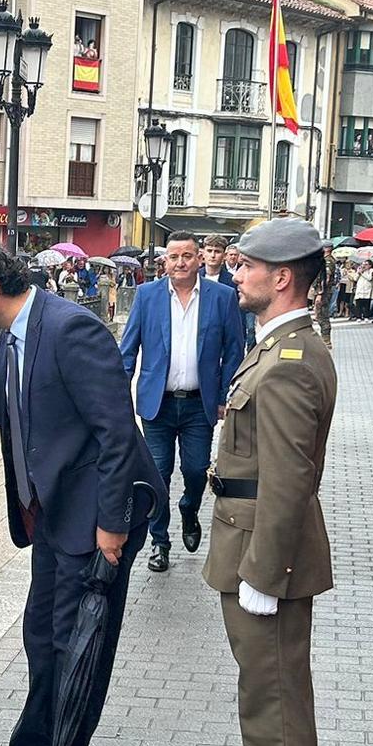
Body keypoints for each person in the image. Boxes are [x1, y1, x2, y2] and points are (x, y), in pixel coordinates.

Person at [0, 236, 158, 746]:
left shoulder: (70, 329)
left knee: (78, 645)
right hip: (48, 515)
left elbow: (118, 431)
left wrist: (111, 528)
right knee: (42, 636)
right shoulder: (11, 338)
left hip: (93, 519)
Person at [201, 217, 337, 746]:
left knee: (274, 694)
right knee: (263, 690)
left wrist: (266, 572)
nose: (236, 274)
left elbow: (287, 480)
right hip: (249, 542)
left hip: (264, 552)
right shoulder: (276, 347)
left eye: (246, 265)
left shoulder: (290, 361)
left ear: (282, 278)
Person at [118, 231, 245, 575]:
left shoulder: (222, 297)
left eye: (187, 255)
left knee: (193, 470)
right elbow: (127, 351)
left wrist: (223, 398)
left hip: (198, 405)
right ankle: (160, 542)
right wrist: (115, 396)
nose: (180, 262)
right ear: (166, 261)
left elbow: (235, 350)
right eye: (173, 257)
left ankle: (189, 508)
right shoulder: (147, 296)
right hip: (157, 404)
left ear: (200, 258)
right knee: (157, 474)